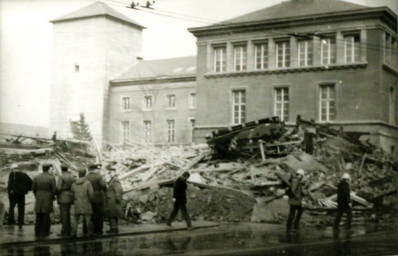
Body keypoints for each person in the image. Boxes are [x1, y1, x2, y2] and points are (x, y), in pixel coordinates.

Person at [32, 163, 57, 237]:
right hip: (48, 197)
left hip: (39, 197)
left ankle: (37, 231)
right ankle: (45, 232)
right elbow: (54, 190)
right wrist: (52, 196)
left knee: (38, 215)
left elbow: (33, 188)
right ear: (48, 169)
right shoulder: (51, 178)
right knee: (46, 216)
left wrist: (37, 194)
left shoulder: (36, 177)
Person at [7, 163, 32, 227]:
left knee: (12, 207)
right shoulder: (24, 174)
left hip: (13, 195)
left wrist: (9, 192)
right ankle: (20, 222)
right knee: (21, 208)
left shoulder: (12, 174)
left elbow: (10, 184)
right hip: (21, 194)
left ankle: (11, 221)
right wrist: (27, 190)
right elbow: (31, 182)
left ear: (12, 169)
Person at [71, 169, 94, 238]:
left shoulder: (74, 183)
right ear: (85, 174)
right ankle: (89, 233)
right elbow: (91, 194)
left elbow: (72, 192)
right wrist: (90, 200)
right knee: (88, 219)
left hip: (77, 203)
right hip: (86, 202)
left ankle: (73, 233)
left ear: (78, 174)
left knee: (75, 219)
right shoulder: (87, 183)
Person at [85, 163, 107, 235]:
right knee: (99, 214)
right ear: (95, 169)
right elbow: (103, 185)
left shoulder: (86, 177)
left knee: (90, 214)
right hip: (98, 196)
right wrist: (105, 191)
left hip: (88, 197)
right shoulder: (99, 176)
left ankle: (89, 230)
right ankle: (98, 230)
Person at [56, 164, 76, 236]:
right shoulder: (72, 176)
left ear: (61, 169)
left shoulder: (61, 177)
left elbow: (59, 188)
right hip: (70, 195)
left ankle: (64, 230)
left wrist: (57, 194)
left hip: (63, 196)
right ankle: (69, 228)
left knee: (64, 214)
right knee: (68, 213)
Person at [104, 168, 123, 233]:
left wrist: (118, 198)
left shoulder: (115, 180)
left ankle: (114, 228)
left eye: (111, 172)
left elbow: (118, 190)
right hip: (111, 199)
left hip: (113, 199)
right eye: (110, 172)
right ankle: (113, 228)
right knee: (111, 214)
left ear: (115, 172)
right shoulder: (112, 180)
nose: (110, 173)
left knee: (112, 214)